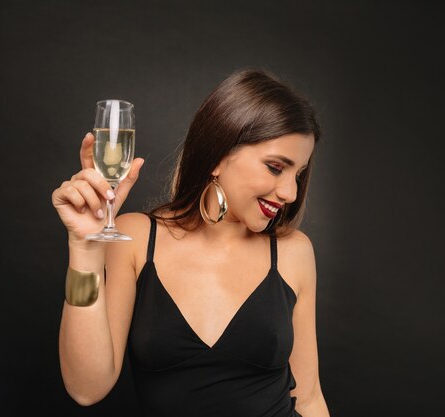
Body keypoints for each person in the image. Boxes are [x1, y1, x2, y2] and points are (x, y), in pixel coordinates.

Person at [51, 68, 331, 417]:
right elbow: (86, 389)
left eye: (298, 174)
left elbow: (308, 398)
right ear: (217, 155)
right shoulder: (137, 238)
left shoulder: (293, 251)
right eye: (276, 167)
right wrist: (84, 249)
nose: (290, 192)